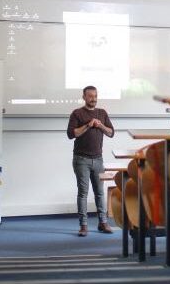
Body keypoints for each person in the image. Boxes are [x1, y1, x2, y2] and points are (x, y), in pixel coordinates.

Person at [67, 85, 115, 236]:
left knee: (100, 193)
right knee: (83, 193)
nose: (93, 99)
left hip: (98, 159)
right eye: (90, 96)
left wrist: (100, 125)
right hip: (81, 159)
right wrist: (88, 125)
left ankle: (103, 222)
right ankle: (83, 225)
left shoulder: (102, 113)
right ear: (84, 97)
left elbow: (111, 133)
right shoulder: (77, 113)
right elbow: (71, 134)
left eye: (95, 96)